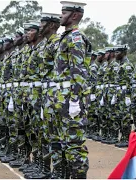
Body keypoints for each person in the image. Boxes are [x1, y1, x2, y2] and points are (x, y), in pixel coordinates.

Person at [51, 1, 90, 178]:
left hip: (71, 100)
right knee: (64, 142)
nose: (61, 15)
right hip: (61, 98)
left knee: (74, 145)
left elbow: (79, 71)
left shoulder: (75, 38)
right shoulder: (65, 37)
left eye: (64, 12)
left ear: (74, 16)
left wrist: (75, 100)